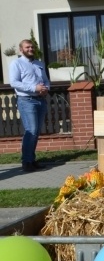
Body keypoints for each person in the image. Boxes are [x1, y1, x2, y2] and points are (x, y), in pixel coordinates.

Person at [9, 39, 50, 172]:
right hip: (27, 101)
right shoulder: (16, 63)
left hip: (40, 100)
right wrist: (34, 88)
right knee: (31, 130)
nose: (30, 49)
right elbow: (14, 82)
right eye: (27, 47)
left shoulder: (39, 64)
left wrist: (46, 88)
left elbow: (45, 80)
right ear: (21, 50)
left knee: (36, 132)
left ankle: (31, 160)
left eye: (32, 47)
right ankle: (26, 162)